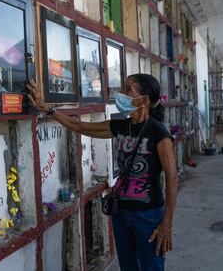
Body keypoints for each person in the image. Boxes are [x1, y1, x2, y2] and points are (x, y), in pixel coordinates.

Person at [27, 74, 178, 271]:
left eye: (128, 89)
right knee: (128, 266)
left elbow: (172, 176)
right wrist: (47, 109)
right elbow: (79, 126)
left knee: (151, 267)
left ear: (144, 100)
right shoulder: (121, 126)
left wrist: (167, 223)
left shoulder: (158, 132)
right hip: (121, 212)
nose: (121, 94)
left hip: (147, 215)